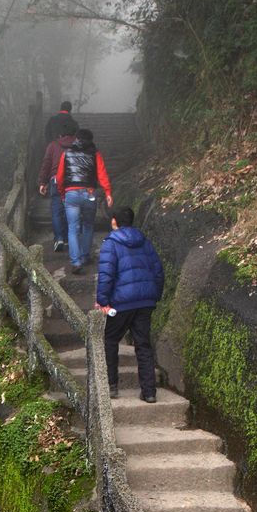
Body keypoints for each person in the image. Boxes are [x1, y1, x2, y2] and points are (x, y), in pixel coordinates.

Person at [96, 206, 164, 403]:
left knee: (109, 340)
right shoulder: (145, 242)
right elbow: (158, 271)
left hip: (121, 302)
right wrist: (154, 296)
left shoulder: (111, 243)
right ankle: (149, 391)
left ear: (114, 221)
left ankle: (111, 385)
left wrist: (103, 301)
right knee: (143, 344)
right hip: (145, 301)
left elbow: (106, 275)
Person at [56, 128, 113, 273]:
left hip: (71, 193)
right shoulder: (95, 153)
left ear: (76, 138)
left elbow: (60, 177)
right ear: (90, 140)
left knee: (72, 228)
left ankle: (76, 262)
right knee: (88, 225)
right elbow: (102, 173)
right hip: (89, 193)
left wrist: (63, 194)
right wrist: (107, 192)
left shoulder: (66, 153)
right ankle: (85, 256)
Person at [38, 130, 76, 252]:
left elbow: (46, 164)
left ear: (60, 134)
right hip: (73, 180)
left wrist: (43, 182)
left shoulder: (53, 145)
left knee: (56, 210)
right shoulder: (78, 145)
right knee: (70, 209)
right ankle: (68, 239)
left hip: (55, 179)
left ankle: (59, 238)